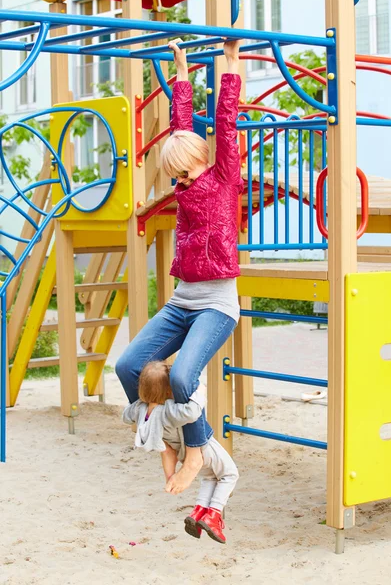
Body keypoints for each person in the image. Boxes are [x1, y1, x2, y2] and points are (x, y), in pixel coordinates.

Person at [115, 36, 243, 495]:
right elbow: (180, 125)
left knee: (185, 376)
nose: (181, 183)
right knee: (129, 367)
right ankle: (160, 434)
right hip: (182, 299)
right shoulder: (186, 180)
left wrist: (229, 66)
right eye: (175, 177)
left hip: (216, 304)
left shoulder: (225, 176)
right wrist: (182, 69)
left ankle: (193, 451)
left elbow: (224, 125)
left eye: (185, 173)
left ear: (201, 161)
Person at [122, 361, 239, 544]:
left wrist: (137, 404)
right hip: (203, 447)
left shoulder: (141, 409)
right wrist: (200, 391)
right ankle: (214, 515)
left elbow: (125, 415)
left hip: (182, 452)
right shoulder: (169, 410)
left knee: (210, 478)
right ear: (170, 390)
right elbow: (192, 412)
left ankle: (199, 511)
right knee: (230, 474)